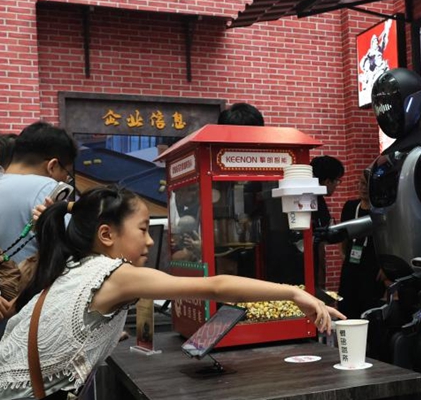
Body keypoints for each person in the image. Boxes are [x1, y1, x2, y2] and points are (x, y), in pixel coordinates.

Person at [0, 185, 345, 399]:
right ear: (106, 235)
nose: (150, 241)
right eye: (143, 229)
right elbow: (216, 286)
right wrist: (294, 293)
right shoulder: (115, 274)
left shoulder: (75, 267)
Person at [0, 122, 77, 264]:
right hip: (25, 278)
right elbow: (74, 248)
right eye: (67, 173)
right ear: (52, 166)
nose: (66, 179)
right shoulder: (47, 188)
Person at [337, 172, 385, 319]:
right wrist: (343, 253)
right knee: (346, 305)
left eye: (367, 184)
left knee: (369, 308)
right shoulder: (350, 207)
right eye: (361, 183)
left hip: (373, 266)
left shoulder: (382, 210)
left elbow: (390, 239)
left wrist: (385, 267)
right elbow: (343, 233)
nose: (363, 188)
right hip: (351, 264)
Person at [310, 155, 344, 289]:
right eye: (337, 181)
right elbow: (319, 242)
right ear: (327, 181)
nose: (337, 185)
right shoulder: (314, 201)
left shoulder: (316, 198)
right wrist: (320, 278)